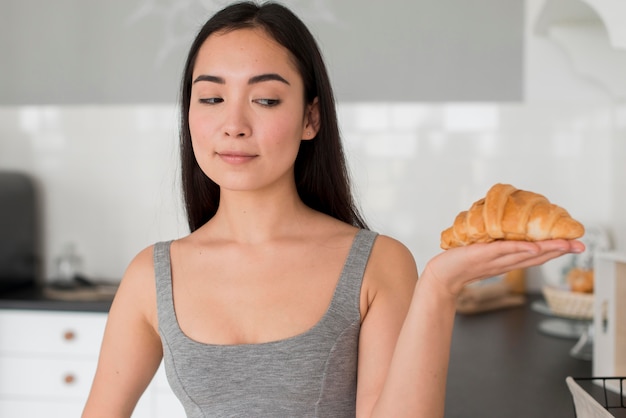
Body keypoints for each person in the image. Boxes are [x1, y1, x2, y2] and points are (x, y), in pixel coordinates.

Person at [82, 2, 585, 417]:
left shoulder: (376, 264)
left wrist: (439, 288)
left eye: (266, 100)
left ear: (310, 118)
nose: (232, 124)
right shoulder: (152, 275)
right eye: (211, 98)